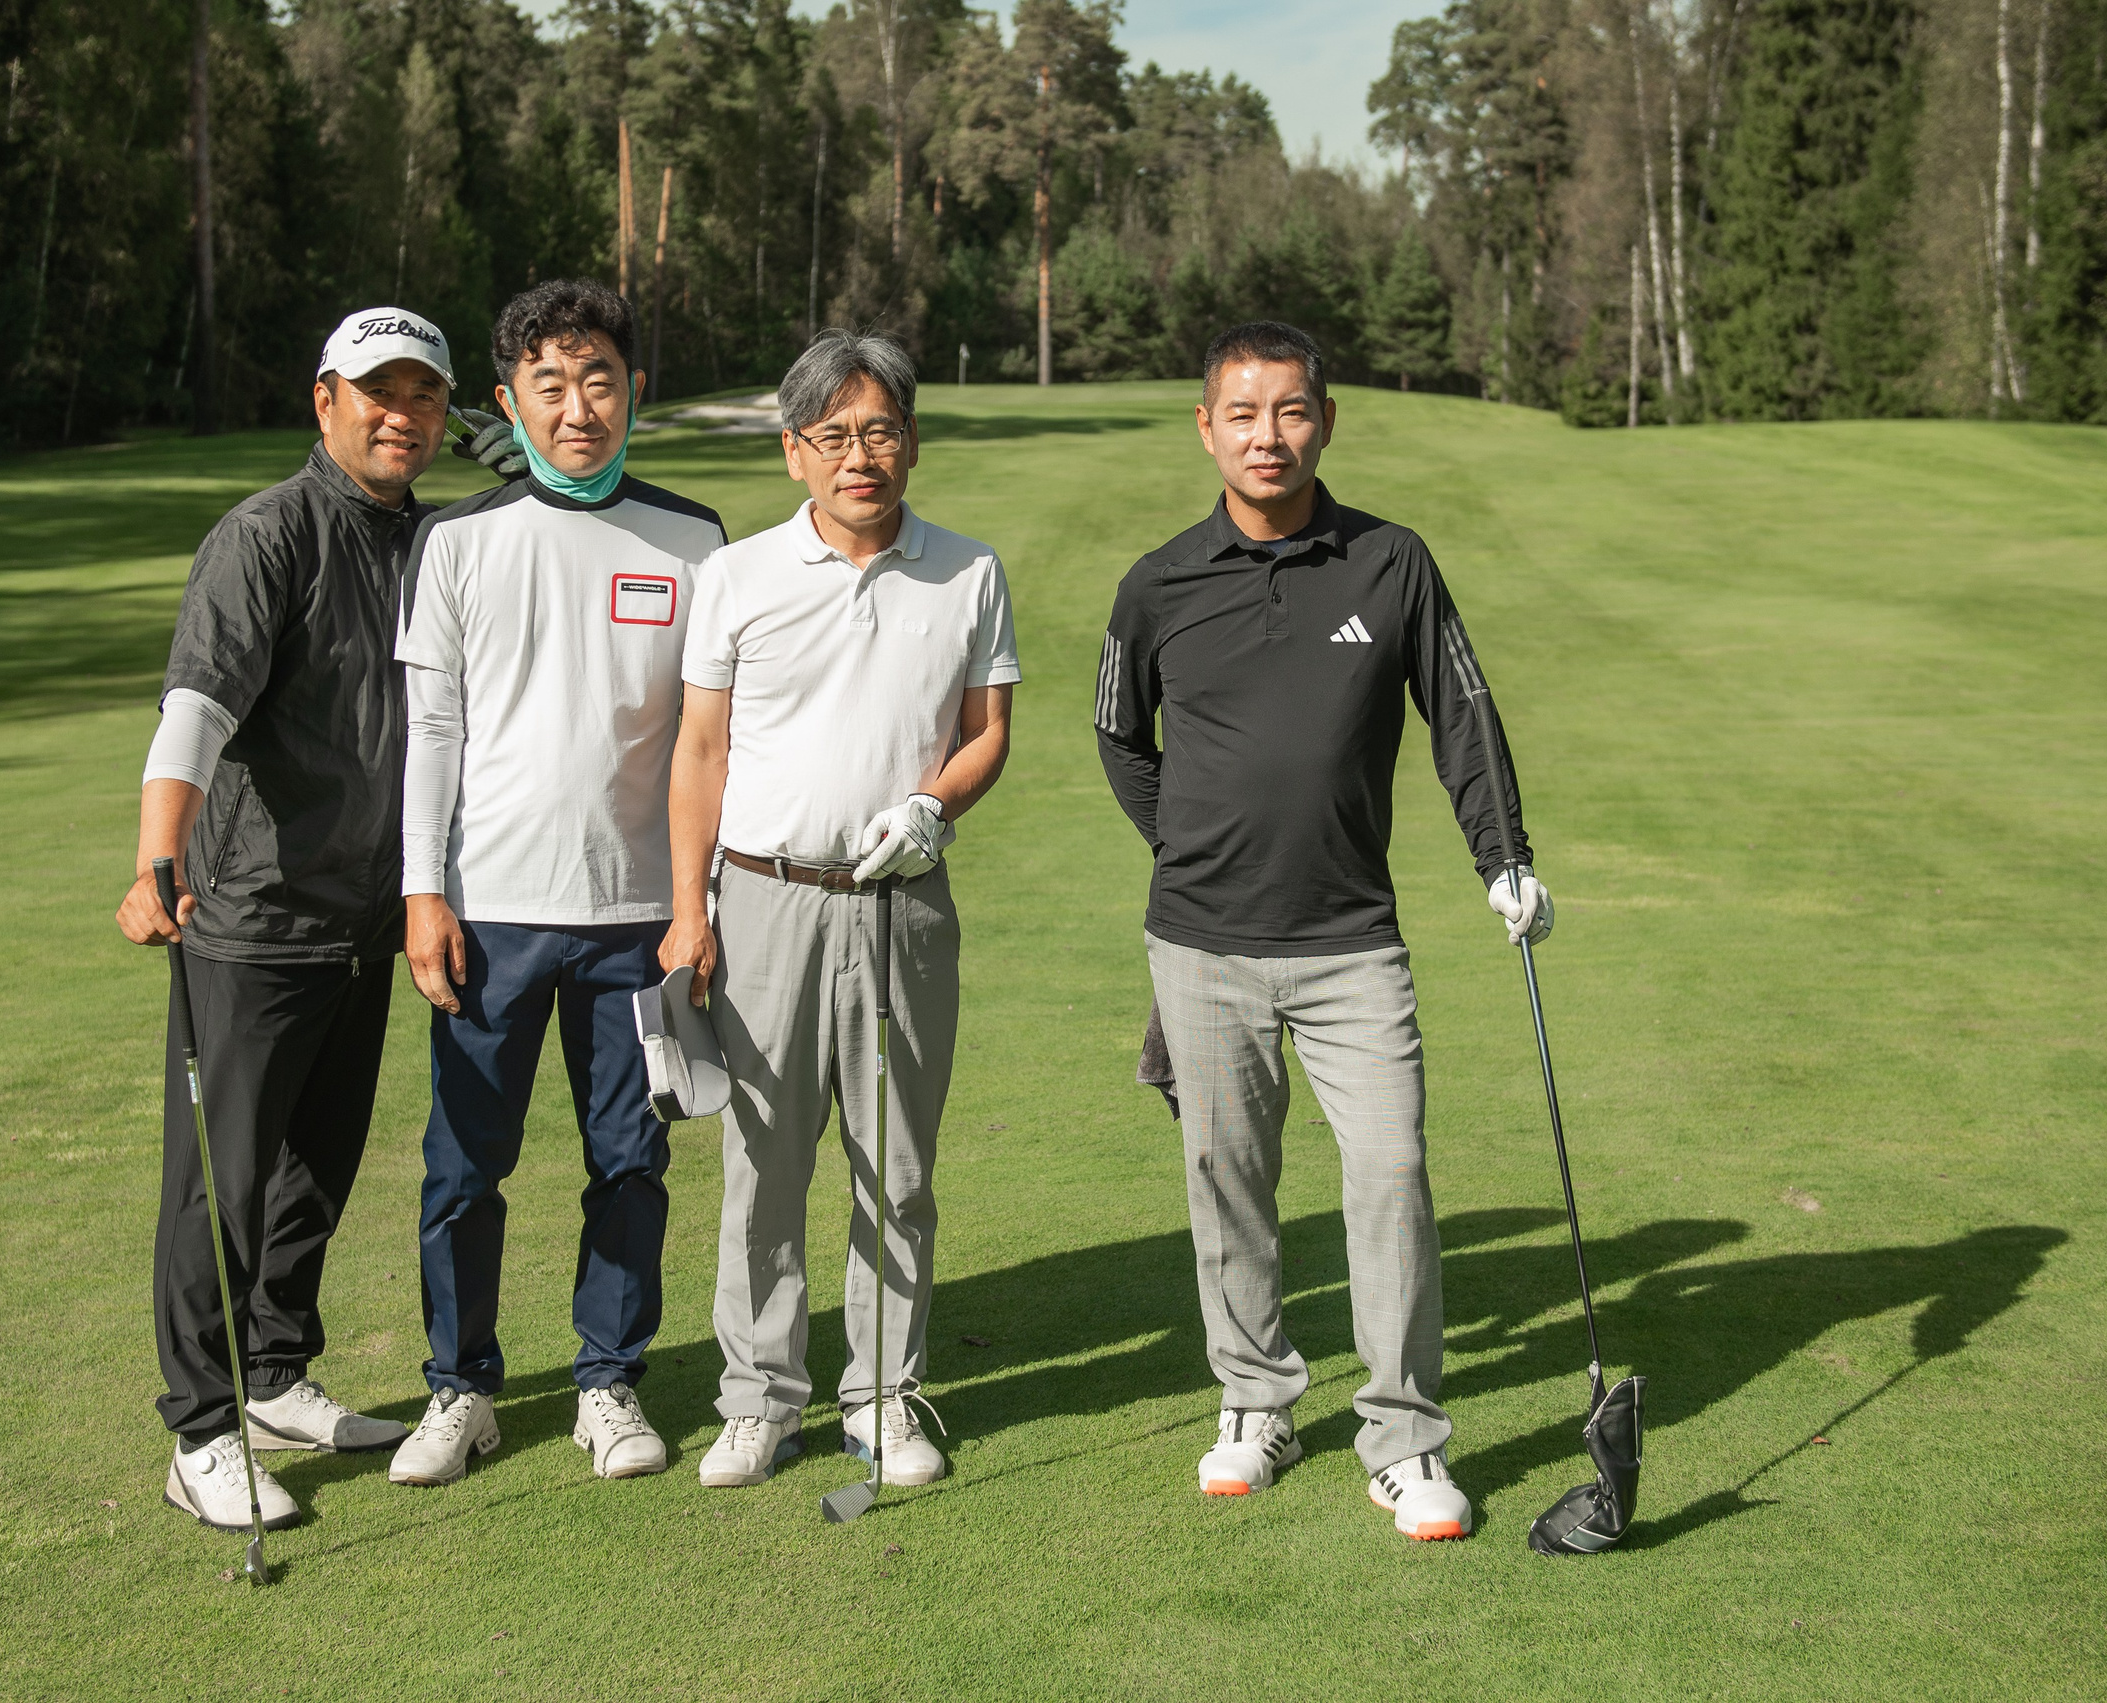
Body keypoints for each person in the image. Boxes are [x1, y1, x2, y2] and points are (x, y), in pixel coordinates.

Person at [1092, 320, 1555, 1543]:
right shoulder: (1158, 582)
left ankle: (1402, 1436)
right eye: (1242, 414)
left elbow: (1460, 711)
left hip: (1352, 941)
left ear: (1325, 420)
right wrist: (1189, 842)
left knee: (1390, 1172)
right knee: (1229, 1181)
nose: (1267, 435)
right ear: (1206, 427)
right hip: (1200, 943)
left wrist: (1502, 855)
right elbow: (1116, 735)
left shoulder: (1390, 562)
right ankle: (1256, 1400)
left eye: (1290, 411)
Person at [117, 307, 490, 1536]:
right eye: (376, 392)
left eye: (424, 397)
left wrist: (503, 444)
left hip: (363, 917)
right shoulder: (265, 535)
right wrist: (155, 853)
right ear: (322, 400)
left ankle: (275, 1377)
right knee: (218, 1186)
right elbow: (196, 706)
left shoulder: (435, 536)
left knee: (310, 1175)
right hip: (250, 918)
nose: (403, 415)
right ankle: (200, 1425)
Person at [662, 331, 1018, 1490]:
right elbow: (700, 751)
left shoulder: (969, 572)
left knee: (895, 1161)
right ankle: (758, 1398)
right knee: (764, 1162)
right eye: (832, 436)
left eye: (879, 430)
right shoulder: (738, 576)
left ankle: (883, 1392)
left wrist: (932, 803)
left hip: (900, 907)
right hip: (763, 900)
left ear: (909, 442)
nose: (858, 455)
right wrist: (688, 910)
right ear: (793, 453)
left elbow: (986, 732)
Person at [389, 279, 726, 1487]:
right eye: (549, 384)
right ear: (508, 401)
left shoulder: (694, 540)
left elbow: (709, 739)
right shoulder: (459, 540)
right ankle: (460, 1387)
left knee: (629, 1160)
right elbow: (432, 729)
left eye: (599, 380)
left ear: (634, 390)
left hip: (641, 917)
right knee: (463, 1168)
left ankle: (608, 1379)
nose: (577, 407)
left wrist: (702, 903)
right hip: (488, 912)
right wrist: (422, 894)